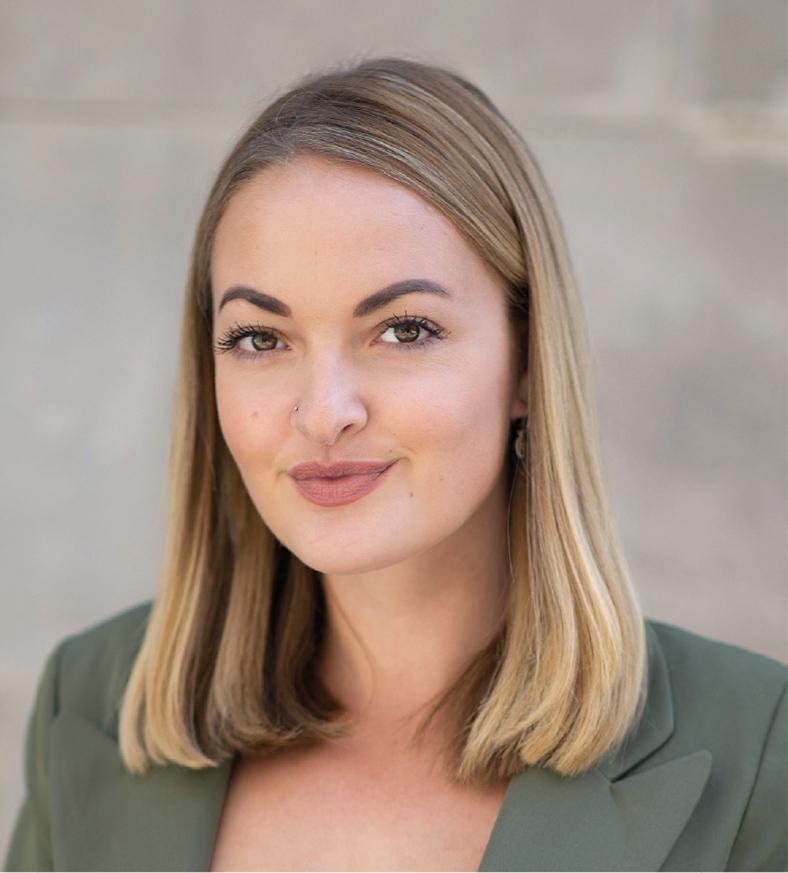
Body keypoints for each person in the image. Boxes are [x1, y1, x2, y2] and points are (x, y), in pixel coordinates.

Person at [4, 56, 786, 873]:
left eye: (403, 329)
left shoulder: (757, 751)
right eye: (261, 338)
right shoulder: (90, 710)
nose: (324, 410)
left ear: (527, 363)